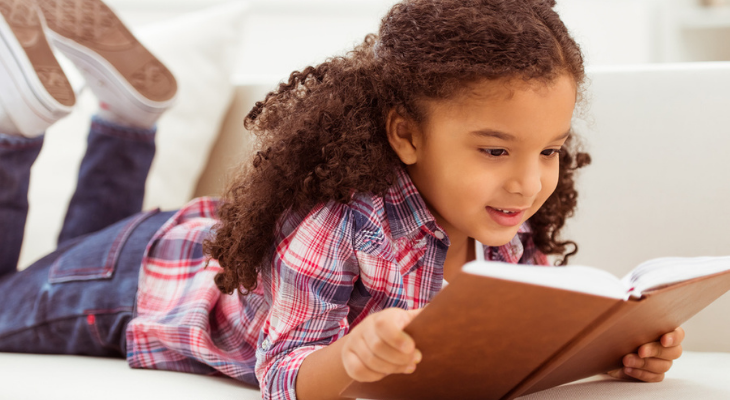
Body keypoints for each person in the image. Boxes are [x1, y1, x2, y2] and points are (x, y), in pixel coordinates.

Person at [0, 0, 685, 399]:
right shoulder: (343, 222)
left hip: (159, 248)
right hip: (144, 281)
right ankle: (17, 127)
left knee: (60, 256)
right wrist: (351, 360)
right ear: (406, 134)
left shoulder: (506, 233)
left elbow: (522, 349)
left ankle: (127, 117)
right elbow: (284, 371)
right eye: (495, 150)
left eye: (548, 150)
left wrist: (617, 350)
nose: (529, 182)